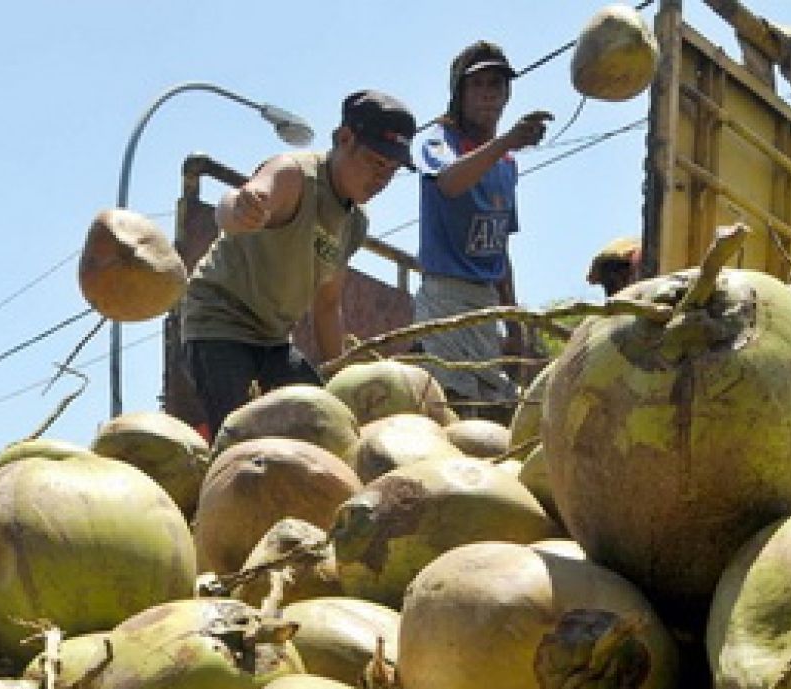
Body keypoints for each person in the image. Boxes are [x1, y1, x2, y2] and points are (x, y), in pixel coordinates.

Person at [181, 90, 416, 435]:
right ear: (344, 138)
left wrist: (340, 378)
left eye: (392, 170)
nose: (382, 179)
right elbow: (234, 205)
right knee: (242, 437)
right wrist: (240, 209)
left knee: (326, 422)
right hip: (220, 323)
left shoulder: (354, 223)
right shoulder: (294, 176)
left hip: (273, 339)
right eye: (376, 163)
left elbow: (328, 304)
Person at [413, 40, 552, 418]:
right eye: (477, 85)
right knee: (451, 407)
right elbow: (448, 183)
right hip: (446, 298)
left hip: (487, 304)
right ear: (459, 93)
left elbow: (499, 245)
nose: (488, 94)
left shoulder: (507, 165)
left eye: (496, 84)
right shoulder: (440, 143)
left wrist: (514, 318)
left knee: (492, 410)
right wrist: (507, 140)